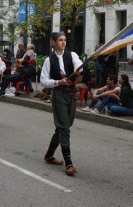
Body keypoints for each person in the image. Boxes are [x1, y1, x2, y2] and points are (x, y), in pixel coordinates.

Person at [41, 31, 82, 176]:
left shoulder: (72, 55)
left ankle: (49, 155)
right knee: (64, 128)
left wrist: (79, 70)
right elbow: (43, 80)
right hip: (59, 94)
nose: (63, 42)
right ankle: (69, 162)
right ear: (53, 43)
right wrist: (57, 82)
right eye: (60, 40)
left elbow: (79, 65)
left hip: (71, 94)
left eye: (64, 40)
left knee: (63, 127)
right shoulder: (48, 60)